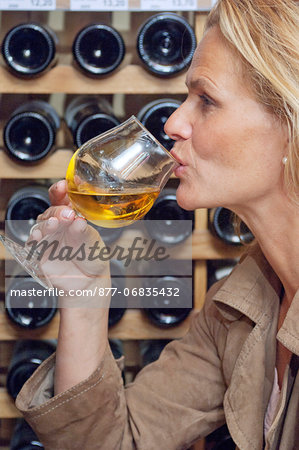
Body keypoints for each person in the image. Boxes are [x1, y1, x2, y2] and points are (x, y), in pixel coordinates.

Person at [15, 0, 299, 449]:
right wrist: (85, 297)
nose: (172, 122)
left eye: (205, 100)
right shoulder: (243, 303)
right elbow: (116, 442)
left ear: (289, 124)